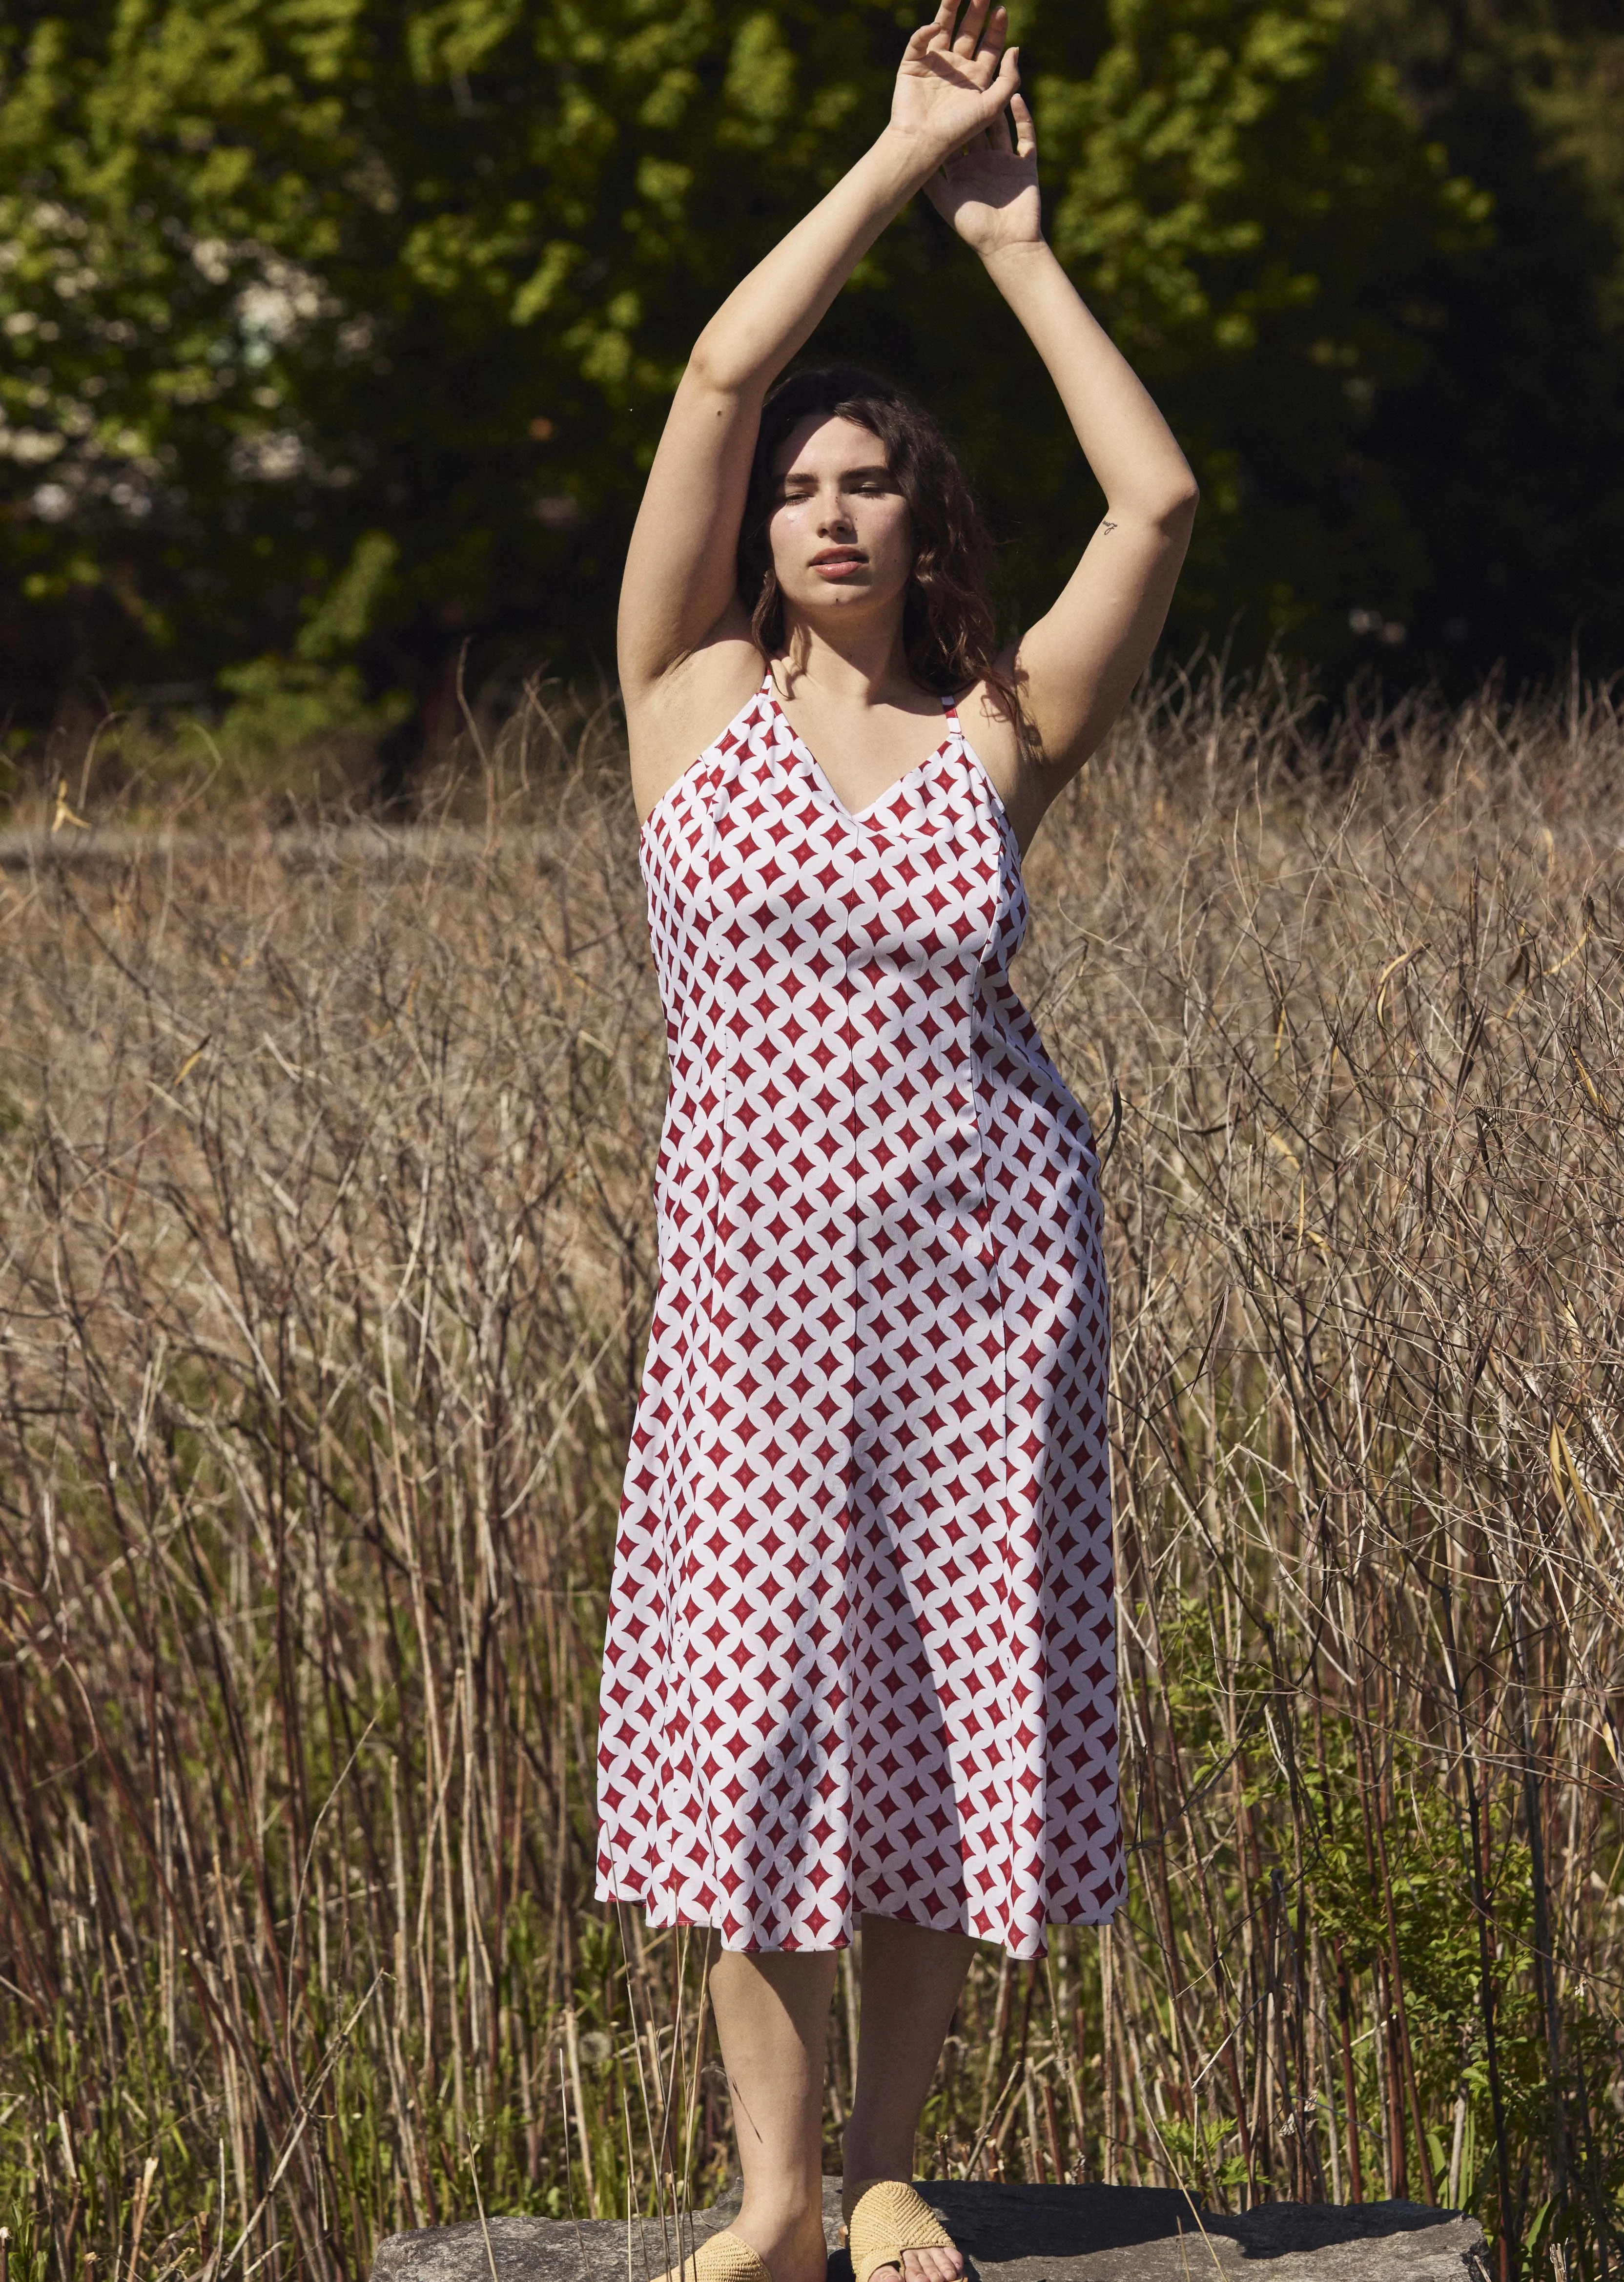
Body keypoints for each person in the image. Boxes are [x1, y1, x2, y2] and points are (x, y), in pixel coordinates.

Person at [595, 5, 1196, 2281]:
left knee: (941, 1731)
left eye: (871, 482)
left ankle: (878, 2167)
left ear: (919, 517)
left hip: (980, 1292)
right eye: (802, 487)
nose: (831, 509)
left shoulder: (1001, 730)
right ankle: (770, 2195)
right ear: (761, 527)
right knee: (753, 1738)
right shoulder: (684, 698)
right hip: (752, 1308)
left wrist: (1014, 245)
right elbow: (712, 375)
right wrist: (883, 167)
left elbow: (1157, 504)